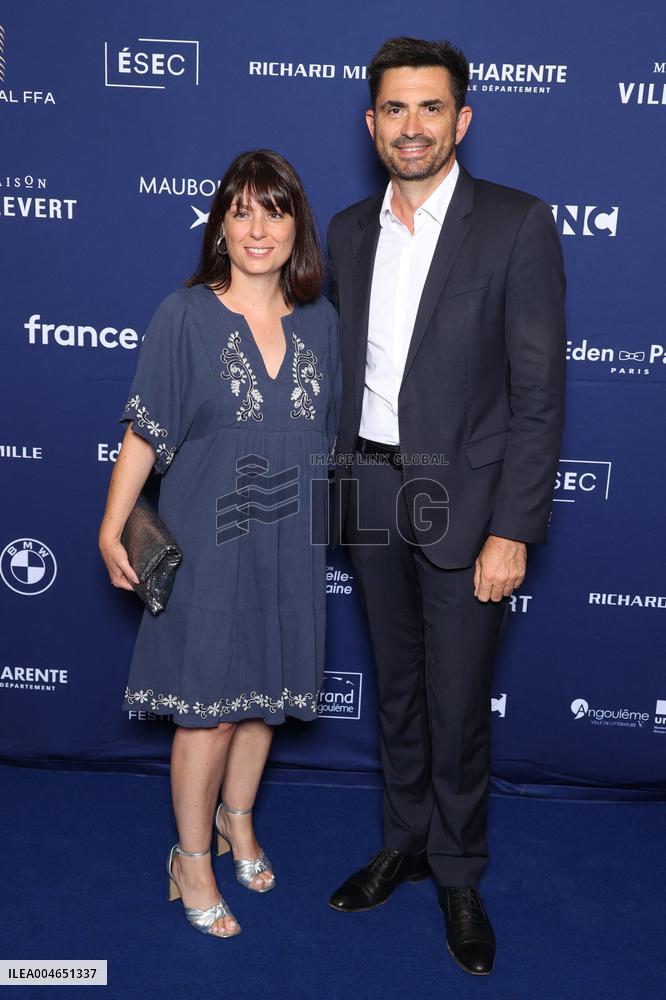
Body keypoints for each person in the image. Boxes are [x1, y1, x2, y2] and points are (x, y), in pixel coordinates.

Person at [326, 37, 566, 975]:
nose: (411, 126)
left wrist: (513, 526)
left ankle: (459, 869)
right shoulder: (347, 231)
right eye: (394, 109)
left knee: (458, 698)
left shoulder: (516, 224)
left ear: (460, 120)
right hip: (373, 482)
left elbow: (539, 394)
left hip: (469, 499)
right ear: (372, 123)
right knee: (395, 687)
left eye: (430, 108)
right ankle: (405, 840)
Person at [99, 149, 341, 938]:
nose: (258, 227)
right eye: (241, 210)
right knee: (206, 713)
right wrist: (112, 524)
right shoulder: (187, 315)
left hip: (292, 547)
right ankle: (192, 858)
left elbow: (324, 439)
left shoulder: (323, 323)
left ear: (296, 223)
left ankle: (239, 821)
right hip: (209, 547)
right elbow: (148, 431)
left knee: (262, 702)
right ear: (220, 227)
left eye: (273, 209)